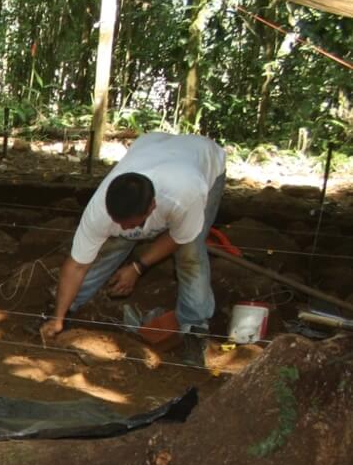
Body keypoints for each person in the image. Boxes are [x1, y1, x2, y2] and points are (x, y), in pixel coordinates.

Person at [41, 132, 227, 365]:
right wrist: (58, 317)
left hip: (203, 160)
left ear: (152, 207)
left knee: (190, 253)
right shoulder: (100, 209)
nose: (126, 228)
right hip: (152, 146)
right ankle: (67, 308)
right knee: (114, 242)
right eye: (119, 221)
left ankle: (194, 330)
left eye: (133, 223)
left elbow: (178, 238)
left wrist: (138, 267)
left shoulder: (185, 196)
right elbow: (77, 264)